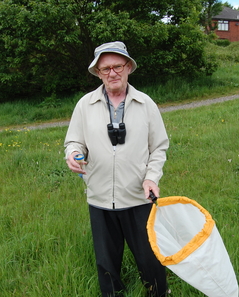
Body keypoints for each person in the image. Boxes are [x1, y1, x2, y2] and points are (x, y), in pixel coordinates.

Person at [64, 41, 170, 297]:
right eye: (105, 69)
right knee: (106, 262)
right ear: (98, 73)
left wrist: (151, 178)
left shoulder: (146, 104)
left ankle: (158, 292)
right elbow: (74, 141)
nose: (112, 73)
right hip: (99, 197)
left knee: (149, 256)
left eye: (118, 66)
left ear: (129, 67)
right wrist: (74, 154)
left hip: (138, 196)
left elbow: (159, 147)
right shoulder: (85, 104)